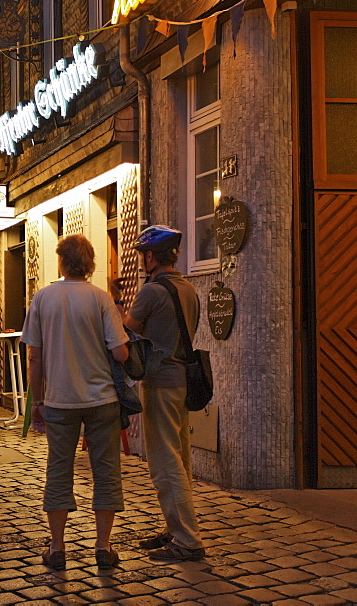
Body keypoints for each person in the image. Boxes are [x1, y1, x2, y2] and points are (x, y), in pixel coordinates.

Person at [23, 235, 130, 571]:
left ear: (61, 262)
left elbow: (34, 356)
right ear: (90, 263)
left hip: (59, 401)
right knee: (106, 472)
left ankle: (57, 548)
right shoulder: (101, 299)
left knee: (58, 471)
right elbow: (120, 352)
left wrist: (36, 401)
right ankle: (102, 546)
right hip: (102, 401)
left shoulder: (42, 299)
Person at [123, 225, 205, 562]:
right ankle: (175, 528)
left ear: (151, 256)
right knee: (181, 459)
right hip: (183, 380)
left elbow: (127, 328)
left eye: (143, 255)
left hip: (160, 381)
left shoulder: (152, 291)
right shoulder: (189, 289)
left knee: (164, 462)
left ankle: (187, 539)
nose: (143, 261)